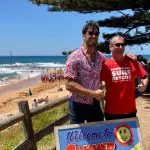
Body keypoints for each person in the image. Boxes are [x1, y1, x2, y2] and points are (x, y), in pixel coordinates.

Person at [64, 21, 105, 124]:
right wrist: (93, 93)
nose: (94, 36)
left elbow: (111, 66)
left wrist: (127, 57)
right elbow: (68, 85)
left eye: (96, 33)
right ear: (83, 35)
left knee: (98, 134)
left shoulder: (100, 57)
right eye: (90, 33)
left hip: (94, 104)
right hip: (77, 104)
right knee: (78, 139)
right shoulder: (74, 57)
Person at [100, 35, 148, 120]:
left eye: (123, 44)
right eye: (117, 45)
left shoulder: (132, 62)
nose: (121, 47)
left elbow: (144, 76)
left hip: (130, 111)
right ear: (110, 47)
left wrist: (144, 86)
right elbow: (97, 83)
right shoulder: (105, 65)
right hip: (111, 112)